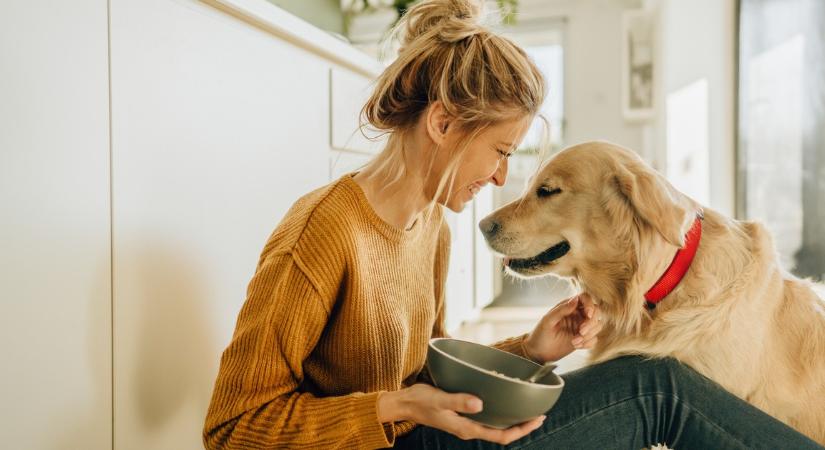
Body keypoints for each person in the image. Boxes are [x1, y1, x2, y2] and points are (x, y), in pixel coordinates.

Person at [203, 0, 824, 448]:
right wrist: (395, 406)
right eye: (501, 152)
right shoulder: (323, 231)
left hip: (423, 434)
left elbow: (427, 376)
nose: (501, 180)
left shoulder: (429, 229)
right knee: (655, 389)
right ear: (444, 124)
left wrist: (531, 350)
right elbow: (231, 431)